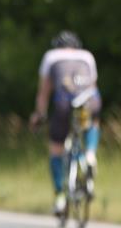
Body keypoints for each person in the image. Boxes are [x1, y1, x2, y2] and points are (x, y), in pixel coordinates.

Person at [30, 30, 101, 216]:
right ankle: (90, 154)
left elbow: (44, 92)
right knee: (92, 123)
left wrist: (40, 114)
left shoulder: (51, 57)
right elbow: (93, 86)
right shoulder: (87, 56)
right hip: (88, 103)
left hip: (64, 104)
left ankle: (60, 198)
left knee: (56, 147)